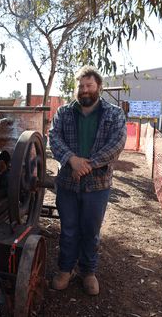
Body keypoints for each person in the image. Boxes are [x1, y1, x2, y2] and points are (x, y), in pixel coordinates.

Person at [48, 66, 127, 295]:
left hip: (98, 185)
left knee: (91, 231)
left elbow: (117, 145)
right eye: (80, 86)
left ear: (98, 87)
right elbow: (54, 138)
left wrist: (86, 166)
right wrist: (72, 160)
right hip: (67, 184)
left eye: (89, 86)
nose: (84, 90)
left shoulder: (113, 114)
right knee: (69, 230)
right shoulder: (63, 112)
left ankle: (88, 272)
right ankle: (65, 270)